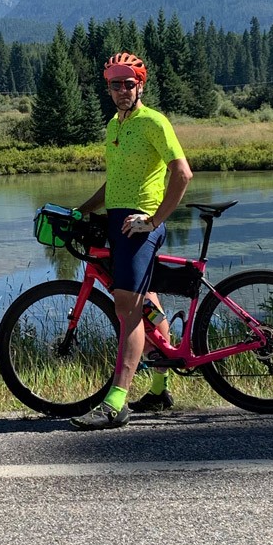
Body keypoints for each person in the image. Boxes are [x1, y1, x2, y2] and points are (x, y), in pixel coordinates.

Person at [70, 52, 193, 430]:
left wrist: (154, 219)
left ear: (141, 85)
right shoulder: (114, 126)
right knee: (148, 303)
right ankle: (159, 390)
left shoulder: (153, 122)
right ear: (108, 88)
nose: (121, 90)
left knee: (128, 311)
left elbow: (183, 174)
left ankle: (115, 403)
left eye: (128, 83)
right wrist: (84, 209)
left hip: (138, 226)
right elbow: (116, 181)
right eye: (114, 84)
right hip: (118, 221)